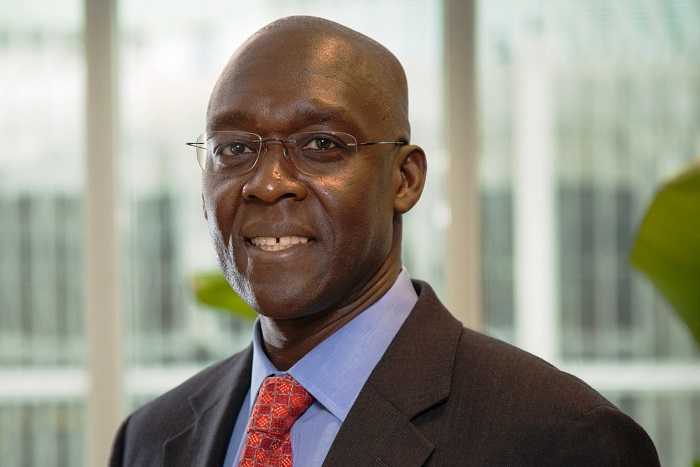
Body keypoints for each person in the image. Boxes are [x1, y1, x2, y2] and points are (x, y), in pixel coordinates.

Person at [109, 16, 660, 467]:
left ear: (405, 180)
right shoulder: (150, 440)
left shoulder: (561, 441)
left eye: (320, 144)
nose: (267, 183)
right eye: (233, 149)